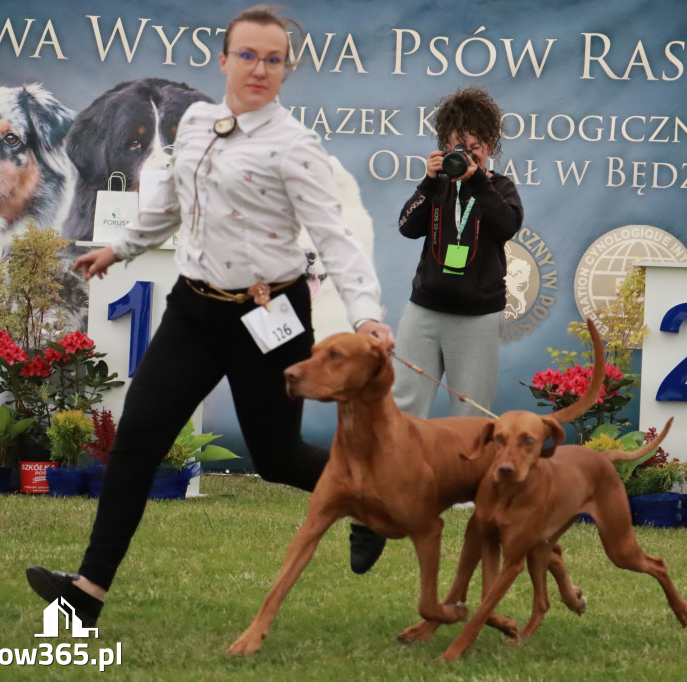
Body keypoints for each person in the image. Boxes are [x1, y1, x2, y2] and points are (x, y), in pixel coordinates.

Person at [26, 6, 393, 627]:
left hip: (268, 314)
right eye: (246, 55)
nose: (259, 68)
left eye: (272, 59)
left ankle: (372, 505)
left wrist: (366, 316)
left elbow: (336, 239)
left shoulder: (295, 146)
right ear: (223, 60)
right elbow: (170, 201)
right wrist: (120, 246)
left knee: (276, 458)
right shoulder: (196, 122)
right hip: (195, 310)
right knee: (137, 439)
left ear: (286, 69)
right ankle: (86, 595)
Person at [392, 87, 523, 418]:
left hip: (477, 317)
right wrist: (428, 183)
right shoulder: (437, 187)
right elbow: (406, 227)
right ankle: (402, 471)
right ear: (445, 148)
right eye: (458, 148)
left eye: (475, 148)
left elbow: (507, 225)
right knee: (404, 406)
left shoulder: (500, 187)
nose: (467, 155)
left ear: (488, 148)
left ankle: (466, 473)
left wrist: (478, 182)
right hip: (424, 311)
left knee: (471, 416)